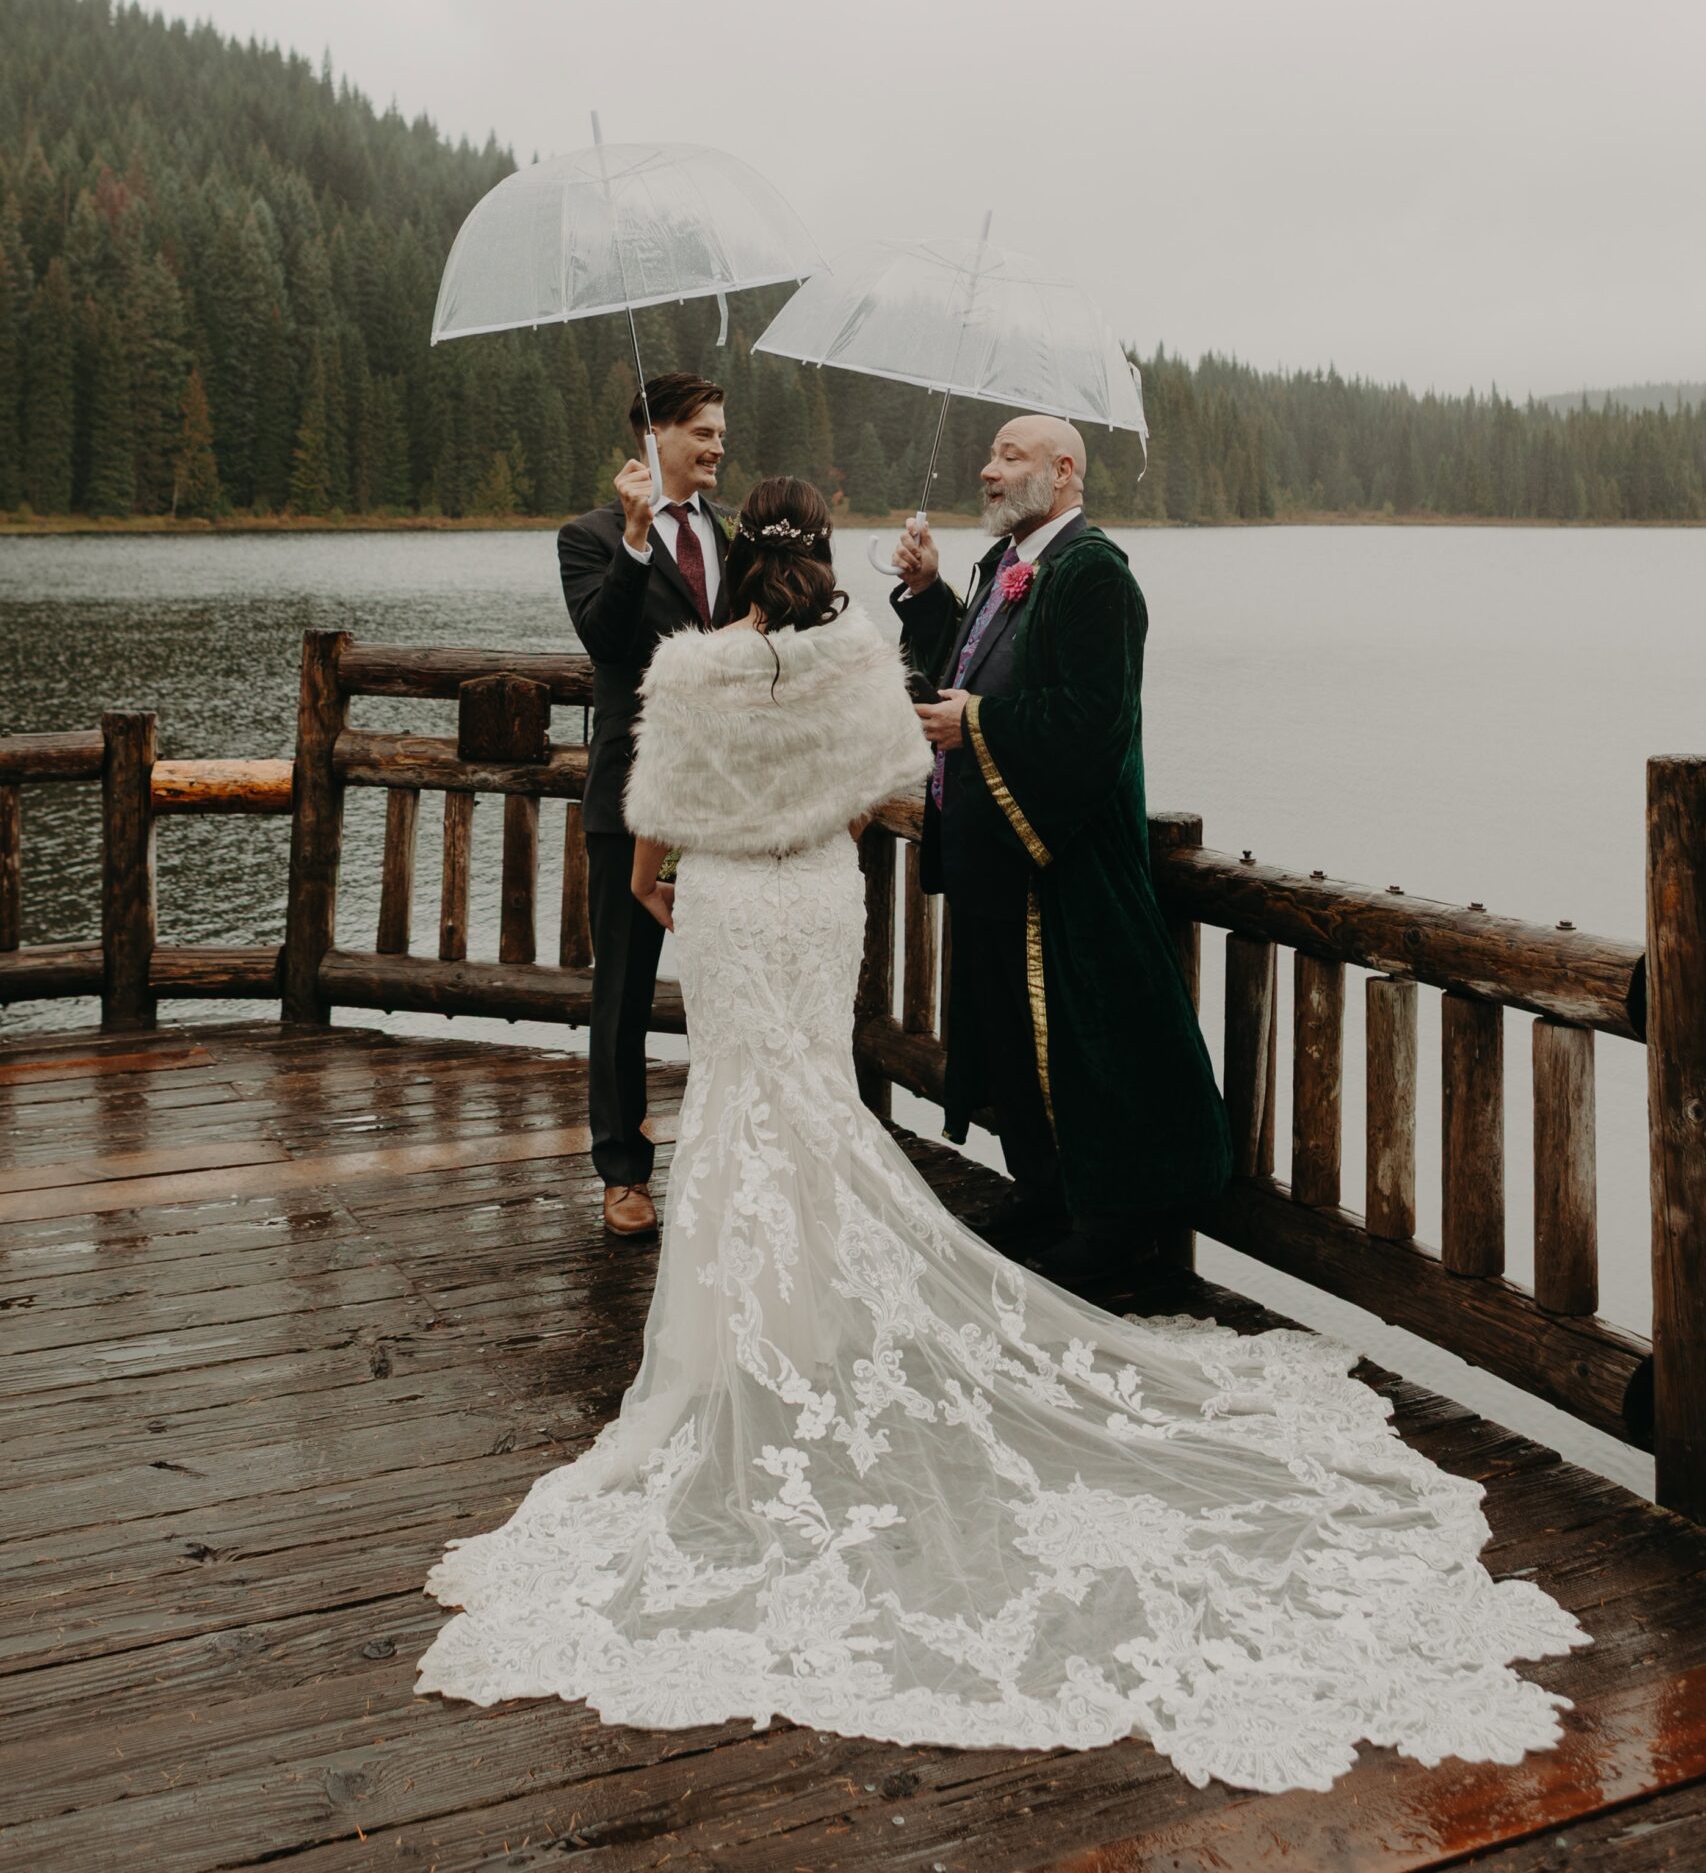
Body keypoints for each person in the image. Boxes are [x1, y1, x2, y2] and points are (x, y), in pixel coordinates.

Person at [419, 473, 1582, 1789]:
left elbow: (650, 844)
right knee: (816, 1099)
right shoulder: (859, 656)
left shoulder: (687, 670)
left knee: (743, 1106)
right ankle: (821, 1315)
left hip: (736, 914)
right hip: (819, 906)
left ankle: (747, 1334)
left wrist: (680, 884)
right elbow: (879, 787)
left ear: (740, 560)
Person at [894, 414, 1231, 1282]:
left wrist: (975, 722)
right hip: (998, 857)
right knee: (1011, 1036)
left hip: (1065, 863)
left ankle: (1112, 1226)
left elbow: (1095, 725)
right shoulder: (1007, 567)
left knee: (1085, 1042)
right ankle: (1043, 1191)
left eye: (1010, 457)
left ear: (1065, 472)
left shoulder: (1095, 577)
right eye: (992, 455)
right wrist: (933, 593)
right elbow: (971, 666)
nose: (988, 470)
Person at [557, 372, 731, 1239]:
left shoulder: (725, 534)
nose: (717, 446)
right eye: (701, 431)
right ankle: (622, 1172)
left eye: (721, 433)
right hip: (631, 794)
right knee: (623, 992)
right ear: (653, 435)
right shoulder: (587, 536)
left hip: (724, 796)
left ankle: (731, 1154)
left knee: (731, 979)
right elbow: (605, 641)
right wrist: (632, 541)